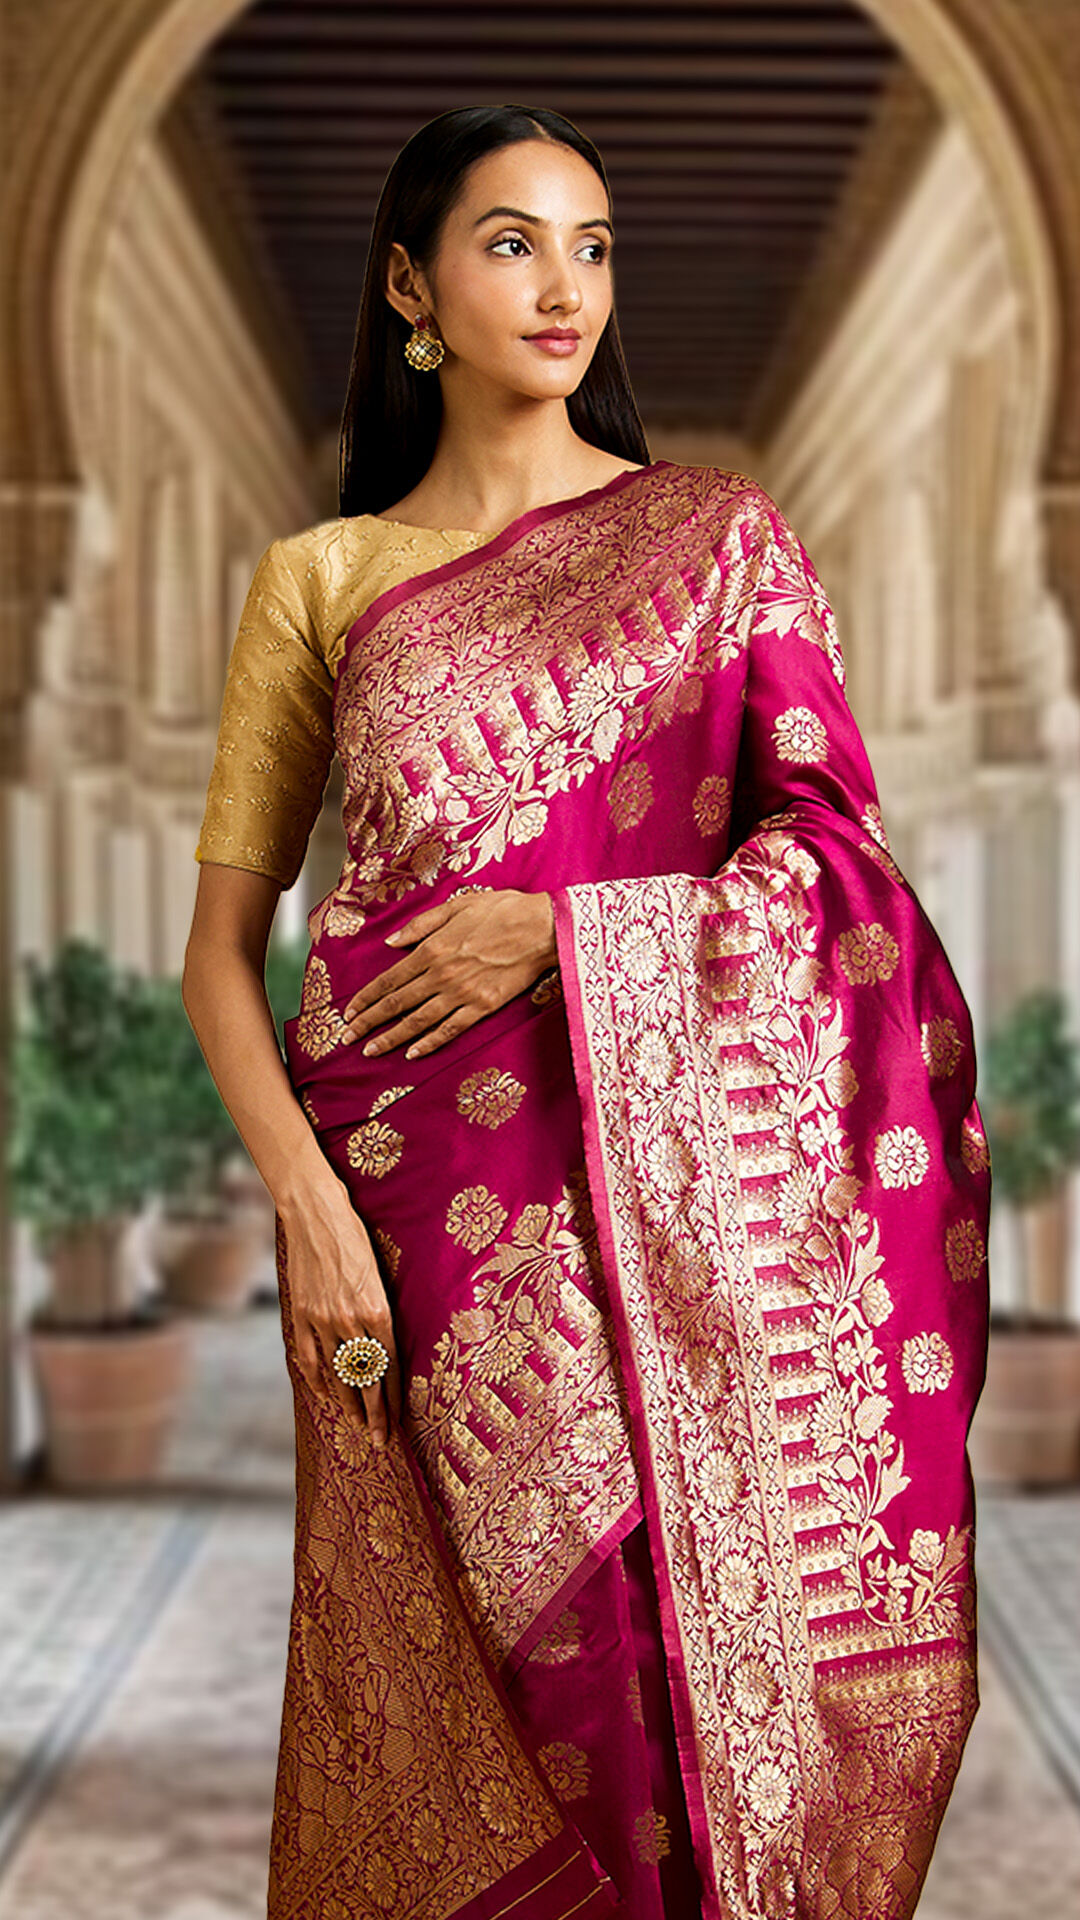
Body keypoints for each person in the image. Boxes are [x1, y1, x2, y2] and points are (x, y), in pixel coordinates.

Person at [182, 104, 991, 1920]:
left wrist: (566, 931)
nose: (567, 287)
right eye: (513, 241)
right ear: (410, 281)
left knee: (660, 1676)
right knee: (466, 1701)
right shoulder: (324, 582)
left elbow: (842, 877)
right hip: (411, 1256)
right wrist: (310, 1215)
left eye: (595, 244)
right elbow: (217, 955)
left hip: (672, 1246)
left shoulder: (718, 544)